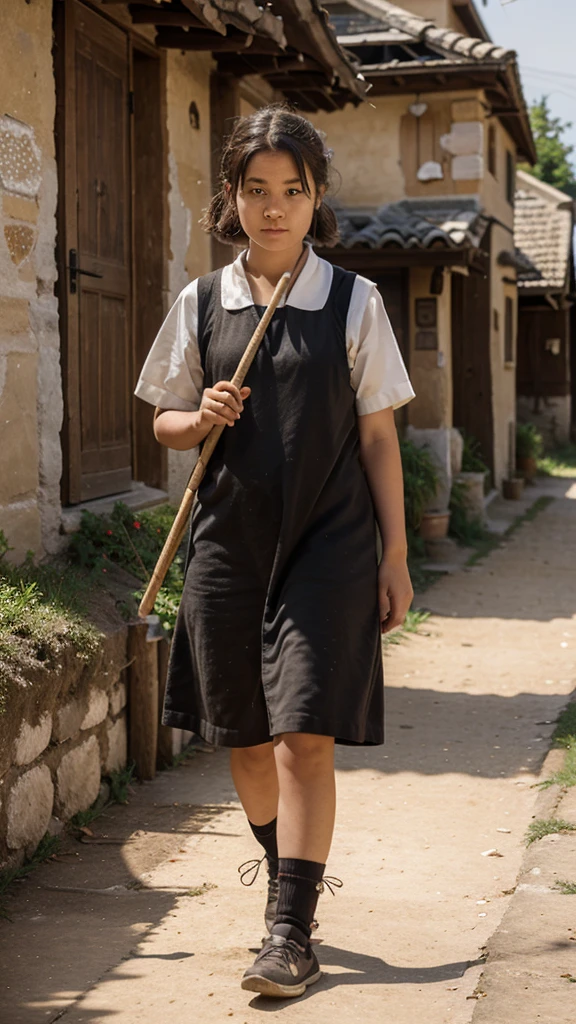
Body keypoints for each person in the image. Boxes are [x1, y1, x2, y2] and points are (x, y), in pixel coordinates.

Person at [134, 103, 415, 1000]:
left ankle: (290, 929)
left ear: (315, 197)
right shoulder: (201, 302)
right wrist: (198, 417)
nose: (274, 208)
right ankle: (292, 873)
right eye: (257, 191)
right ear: (233, 197)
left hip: (329, 545)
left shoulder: (352, 300)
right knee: (246, 742)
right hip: (229, 543)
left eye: (292, 191)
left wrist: (396, 554)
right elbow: (163, 422)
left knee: (302, 738)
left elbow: (378, 438)